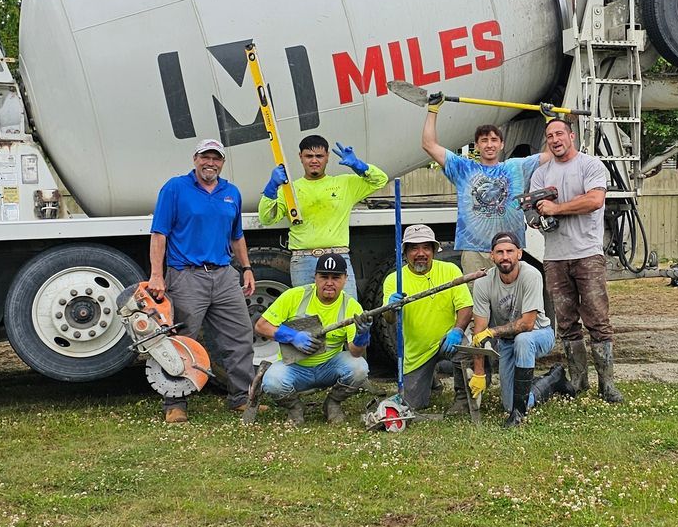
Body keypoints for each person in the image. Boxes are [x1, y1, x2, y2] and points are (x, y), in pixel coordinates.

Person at [146, 139, 261, 423]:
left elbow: (236, 236)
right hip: (187, 275)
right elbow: (159, 234)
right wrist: (157, 275)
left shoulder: (231, 192)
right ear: (195, 159)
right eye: (205, 157)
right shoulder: (175, 188)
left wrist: (246, 268)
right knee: (180, 339)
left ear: (222, 162)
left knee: (240, 337)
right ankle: (175, 403)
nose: (210, 163)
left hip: (224, 275)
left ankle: (241, 398)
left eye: (216, 158)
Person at [526, 118, 623, 403]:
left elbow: (594, 201)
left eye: (560, 134)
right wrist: (536, 218)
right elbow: (532, 211)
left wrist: (556, 209)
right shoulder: (541, 175)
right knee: (567, 323)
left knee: (598, 320)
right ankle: (579, 382)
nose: (555, 140)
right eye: (550, 136)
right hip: (555, 257)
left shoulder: (590, 166)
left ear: (572, 136)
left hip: (587, 254)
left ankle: (607, 385)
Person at [254, 254, 371, 424]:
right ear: (315, 277)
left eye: (336, 277)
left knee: (359, 368)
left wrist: (362, 336)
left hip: (329, 367)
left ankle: (333, 403)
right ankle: (295, 408)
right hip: (295, 368)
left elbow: (355, 352)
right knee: (272, 381)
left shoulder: (351, 306)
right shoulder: (294, 296)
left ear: (345, 279)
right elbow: (261, 326)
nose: (329, 283)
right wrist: (292, 337)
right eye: (324, 277)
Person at [422, 107, 539, 275]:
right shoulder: (463, 168)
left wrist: (551, 120)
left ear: (502, 144)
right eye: (484, 140)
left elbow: (551, 155)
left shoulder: (516, 167)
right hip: (474, 251)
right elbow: (428, 145)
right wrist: (433, 110)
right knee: (477, 292)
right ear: (476, 146)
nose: (489, 145)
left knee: (509, 293)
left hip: (509, 249)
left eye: (494, 140)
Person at [258, 134, 389, 285]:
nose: (314, 160)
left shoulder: (345, 184)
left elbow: (381, 180)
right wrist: (271, 187)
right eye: (309, 156)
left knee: (346, 302)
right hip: (302, 261)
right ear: (300, 157)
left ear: (327, 157)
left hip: (338, 256)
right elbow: (266, 219)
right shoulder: (289, 190)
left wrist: (359, 166)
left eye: (319, 156)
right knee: (306, 302)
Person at [378, 224, 474, 415]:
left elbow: (465, 306)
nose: (420, 253)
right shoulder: (394, 280)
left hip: (448, 340)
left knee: (466, 349)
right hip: (417, 352)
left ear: (434, 251)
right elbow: (389, 320)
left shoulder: (450, 270)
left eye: (426, 248)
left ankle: (463, 399)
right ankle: (431, 381)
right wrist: (390, 307)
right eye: (414, 248)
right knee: (412, 405)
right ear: (405, 252)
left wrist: (457, 331)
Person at [468, 232, 556, 426]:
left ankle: (518, 413)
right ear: (492, 256)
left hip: (539, 334)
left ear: (519, 254)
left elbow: (527, 325)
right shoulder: (483, 283)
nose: (505, 256)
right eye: (500, 252)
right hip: (508, 341)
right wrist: (479, 372)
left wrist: (493, 332)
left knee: (523, 340)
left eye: (510, 251)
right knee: (508, 403)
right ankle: (554, 380)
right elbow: (478, 333)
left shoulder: (531, 275)